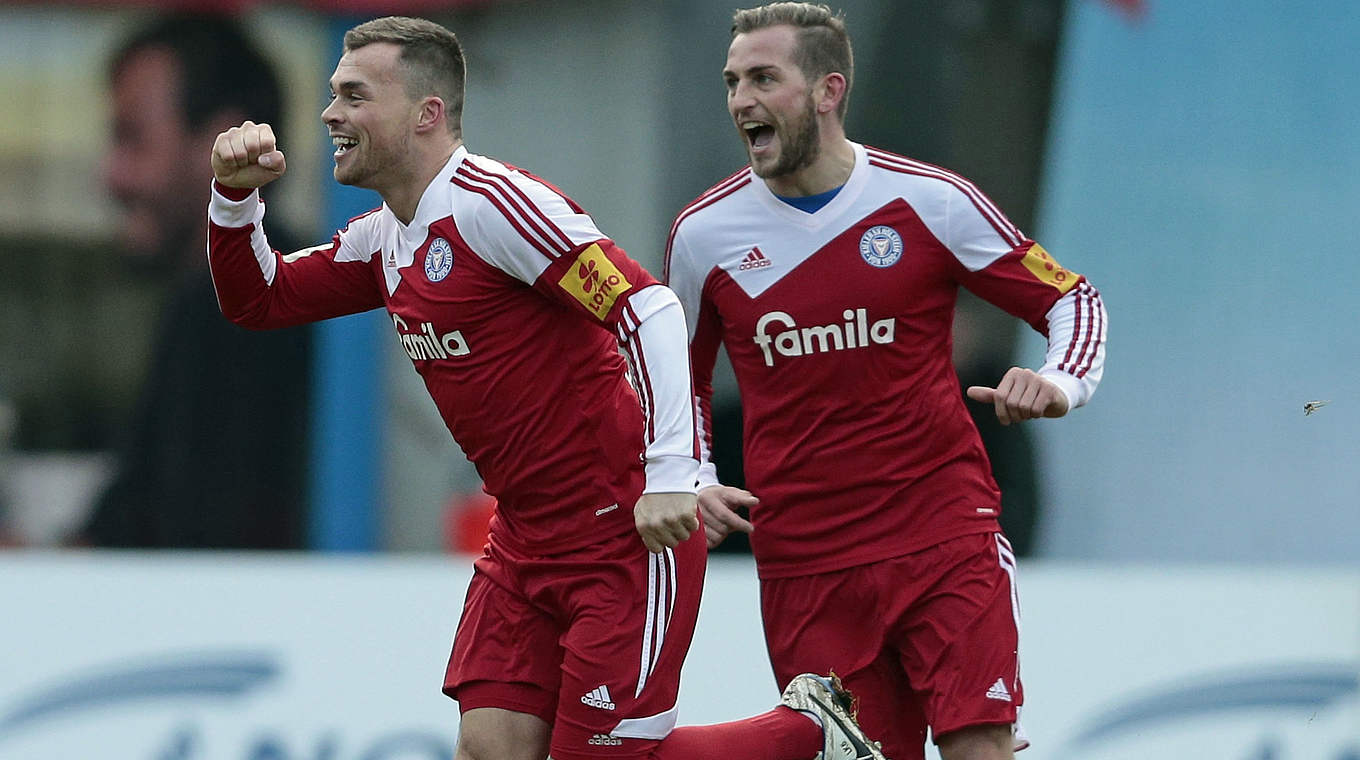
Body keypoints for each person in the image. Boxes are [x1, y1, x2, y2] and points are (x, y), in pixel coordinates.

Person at [206, 16, 885, 760]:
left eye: (356, 96)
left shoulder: (492, 207)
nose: (331, 113)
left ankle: (808, 735)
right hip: (525, 541)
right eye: (333, 95)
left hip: (621, 534)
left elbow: (647, 308)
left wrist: (668, 473)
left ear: (428, 113)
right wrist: (235, 202)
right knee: (489, 749)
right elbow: (260, 301)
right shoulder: (384, 237)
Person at [664, 4, 1108, 760]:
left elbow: (1069, 297)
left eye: (765, 78)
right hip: (808, 563)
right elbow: (676, 380)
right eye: (733, 81)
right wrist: (690, 472)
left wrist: (1060, 381)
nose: (742, 99)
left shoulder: (930, 202)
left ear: (828, 90)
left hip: (942, 533)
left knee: (981, 743)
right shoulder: (704, 235)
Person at [75, 14, 312, 549]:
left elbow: (190, 537)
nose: (111, 175)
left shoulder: (257, 307)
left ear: (226, 146)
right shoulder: (217, 298)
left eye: (132, 138)